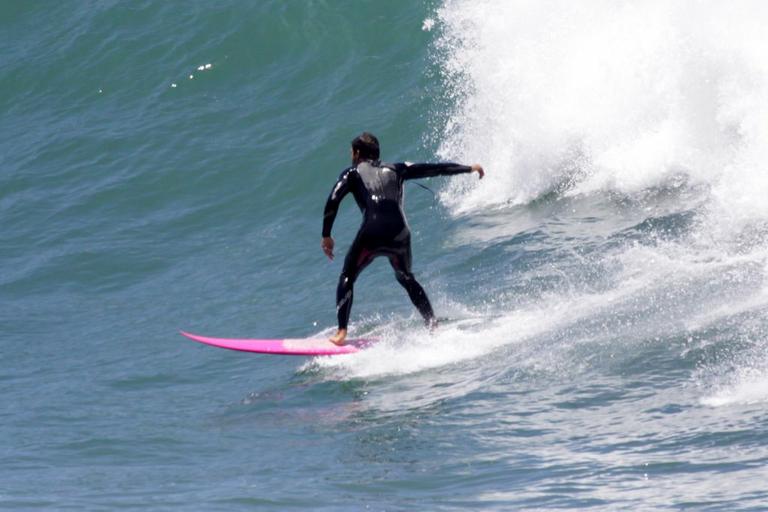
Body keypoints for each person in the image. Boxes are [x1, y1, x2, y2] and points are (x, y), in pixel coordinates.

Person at [321, 132, 484, 345]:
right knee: (406, 277)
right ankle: (432, 324)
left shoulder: (352, 173)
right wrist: (468, 168)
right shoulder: (398, 168)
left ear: (358, 153)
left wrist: (326, 235)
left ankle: (342, 332)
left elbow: (333, 200)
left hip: (372, 231)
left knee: (348, 276)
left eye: (352, 152)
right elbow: (433, 168)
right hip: (400, 233)